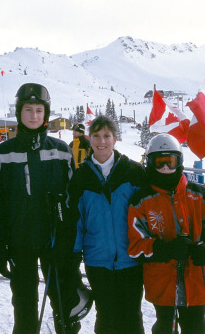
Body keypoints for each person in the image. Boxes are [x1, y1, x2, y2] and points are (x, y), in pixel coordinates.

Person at [0, 82, 86, 334]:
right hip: (19, 242)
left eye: (39, 110)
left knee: (63, 303)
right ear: (19, 113)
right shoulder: (3, 153)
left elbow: (72, 201)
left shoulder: (61, 151)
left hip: (54, 241)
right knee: (24, 306)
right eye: (28, 110)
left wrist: (69, 244)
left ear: (46, 114)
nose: (34, 116)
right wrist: (0, 245)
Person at [127, 133, 205, 334]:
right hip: (163, 283)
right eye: (159, 162)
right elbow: (136, 245)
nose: (165, 168)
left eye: (171, 162)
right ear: (150, 163)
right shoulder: (142, 200)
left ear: (179, 162)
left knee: (196, 325)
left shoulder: (197, 194)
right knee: (165, 326)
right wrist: (165, 249)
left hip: (196, 279)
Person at [68, 115, 146, 334]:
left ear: (115, 138)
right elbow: (76, 220)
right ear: (89, 138)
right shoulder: (81, 176)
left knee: (131, 315)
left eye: (106, 136)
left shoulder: (133, 172)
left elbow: (148, 213)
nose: (101, 141)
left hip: (130, 258)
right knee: (106, 315)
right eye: (96, 136)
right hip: (97, 261)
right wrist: (73, 256)